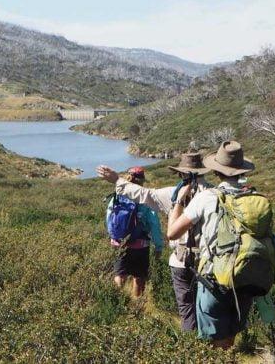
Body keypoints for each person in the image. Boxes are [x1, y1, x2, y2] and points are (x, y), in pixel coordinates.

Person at [97, 153, 212, 329]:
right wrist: (157, 246)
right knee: (208, 306)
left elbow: (144, 194)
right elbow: (154, 225)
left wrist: (116, 180)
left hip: (180, 261)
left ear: (182, 173)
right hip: (208, 262)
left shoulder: (172, 194)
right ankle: (214, 344)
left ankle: (192, 343)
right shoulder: (216, 195)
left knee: (186, 307)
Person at [166, 141, 259, 349]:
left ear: (217, 172)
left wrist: (179, 201)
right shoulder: (254, 198)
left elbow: (172, 233)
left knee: (210, 345)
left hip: (214, 280)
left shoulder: (207, 198)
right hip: (245, 277)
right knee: (230, 337)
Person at [101, 166, 164, 299]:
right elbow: (154, 224)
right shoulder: (145, 198)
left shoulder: (118, 196)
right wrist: (158, 246)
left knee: (120, 274)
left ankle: (116, 302)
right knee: (139, 276)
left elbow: (109, 217)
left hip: (120, 243)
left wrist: (114, 236)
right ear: (142, 180)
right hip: (140, 245)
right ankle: (137, 303)